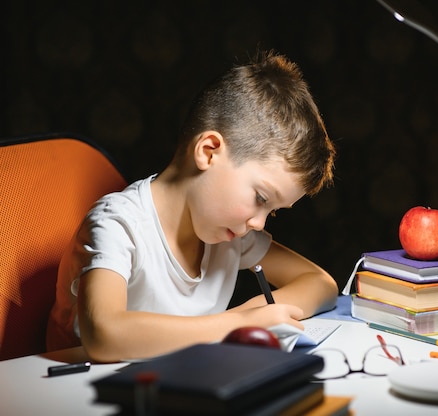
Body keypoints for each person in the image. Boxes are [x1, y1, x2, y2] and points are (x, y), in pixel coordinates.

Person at [46, 50, 338, 363]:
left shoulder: (232, 235)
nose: (259, 223)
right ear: (209, 151)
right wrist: (237, 324)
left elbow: (322, 284)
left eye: (273, 211)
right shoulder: (117, 224)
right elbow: (105, 335)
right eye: (261, 199)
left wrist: (255, 313)